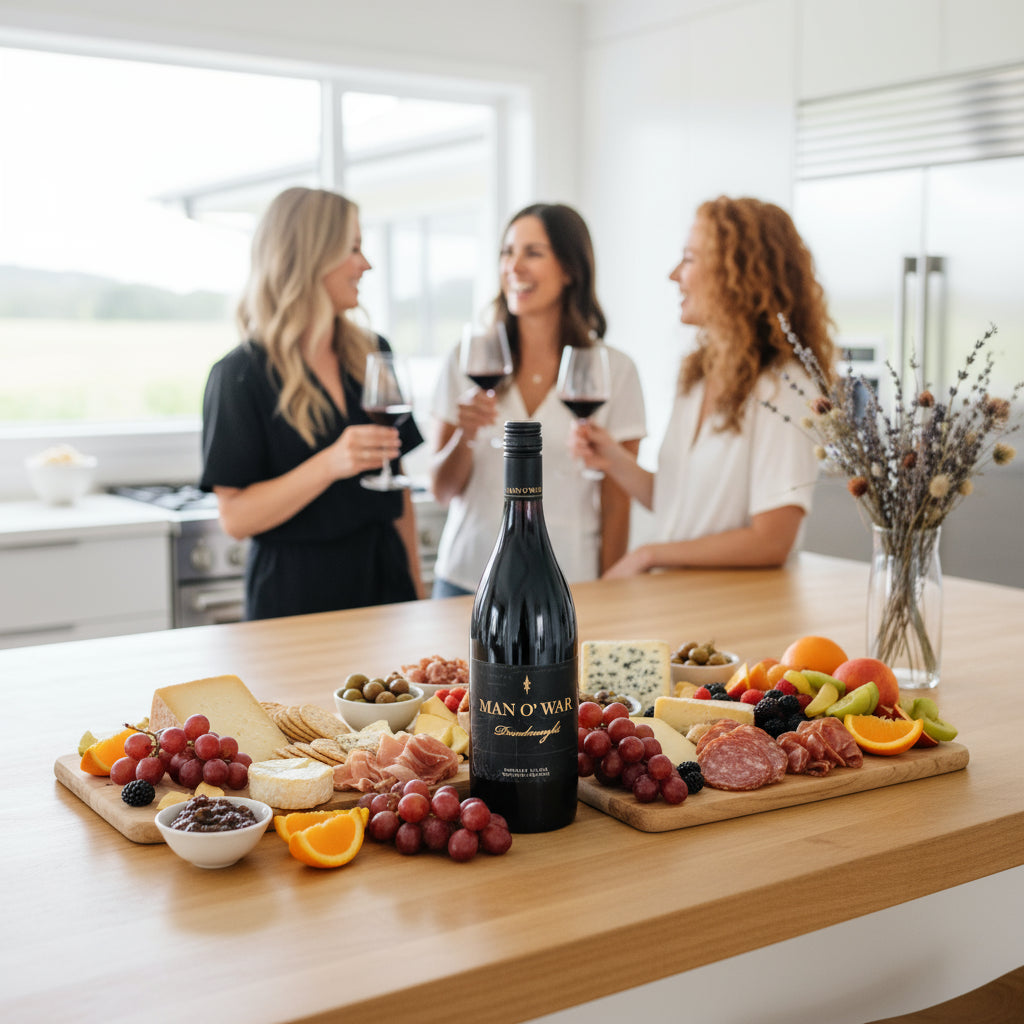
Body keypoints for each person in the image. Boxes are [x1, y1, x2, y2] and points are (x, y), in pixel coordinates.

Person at [571, 195, 836, 576]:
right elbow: (678, 503)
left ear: (739, 273)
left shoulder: (784, 389)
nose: (674, 274)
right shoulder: (698, 377)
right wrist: (613, 459)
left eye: (690, 258)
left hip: (732, 608)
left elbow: (772, 540)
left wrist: (650, 554)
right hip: (681, 600)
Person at [200, 186, 425, 619]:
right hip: (294, 599)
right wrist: (331, 463)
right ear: (311, 256)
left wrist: (416, 595)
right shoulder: (239, 374)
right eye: (354, 248)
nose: (367, 264)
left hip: (386, 587)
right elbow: (236, 518)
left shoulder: (374, 353)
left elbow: (399, 492)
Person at [429, 202, 647, 597]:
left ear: (569, 269)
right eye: (508, 252)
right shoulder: (467, 360)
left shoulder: (614, 370)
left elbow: (616, 504)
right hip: (468, 579)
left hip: (567, 582)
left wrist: (609, 593)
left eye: (533, 253)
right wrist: (466, 434)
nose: (514, 266)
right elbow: (441, 491)